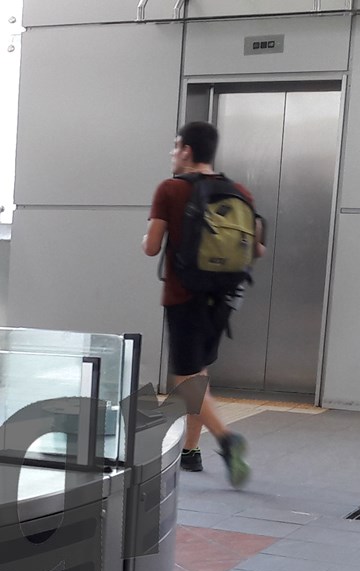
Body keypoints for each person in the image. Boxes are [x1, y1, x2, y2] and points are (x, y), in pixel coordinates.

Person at [144, 120, 259, 487]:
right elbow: (257, 248)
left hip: (184, 296)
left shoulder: (170, 189)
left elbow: (151, 247)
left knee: (186, 379)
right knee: (199, 374)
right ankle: (191, 450)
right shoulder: (239, 192)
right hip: (222, 299)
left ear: (187, 151)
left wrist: (148, 235)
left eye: (175, 146)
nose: (172, 153)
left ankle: (227, 439)